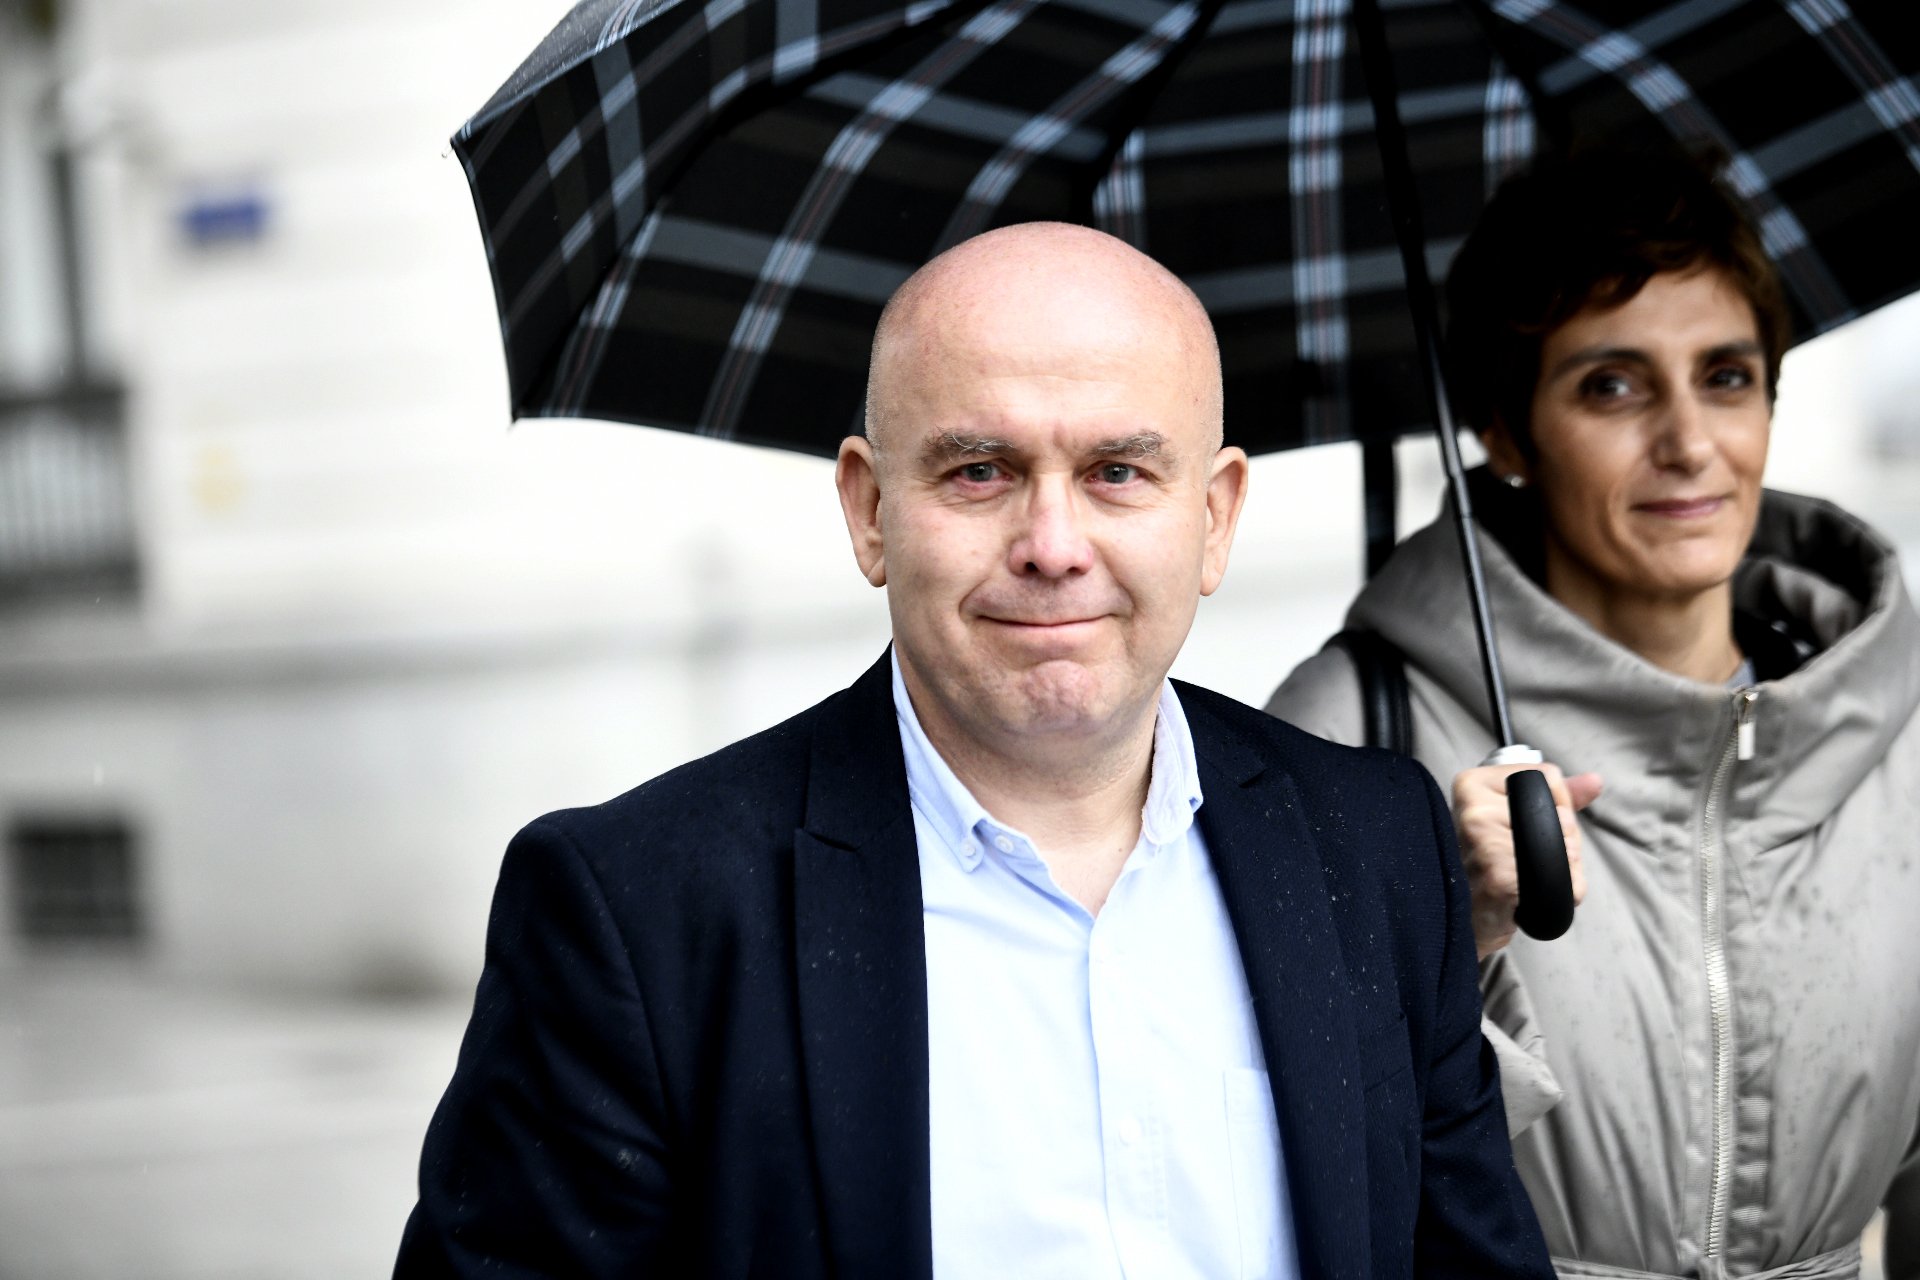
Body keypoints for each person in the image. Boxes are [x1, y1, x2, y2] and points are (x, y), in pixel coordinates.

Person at [393, 222, 1553, 1278]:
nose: (1053, 545)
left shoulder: (1378, 843)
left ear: (1214, 517)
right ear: (869, 511)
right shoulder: (638, 910)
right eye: (980, 470)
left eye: (1117, 472)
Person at [1268, 149, 1920, 1280]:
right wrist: (1452, 938)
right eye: (1611, 385)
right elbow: (1294, 1143)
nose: (1688, 442)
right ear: (1506, 433)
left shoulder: (1895, 719)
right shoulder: (1348, 732)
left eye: (1725, 375)